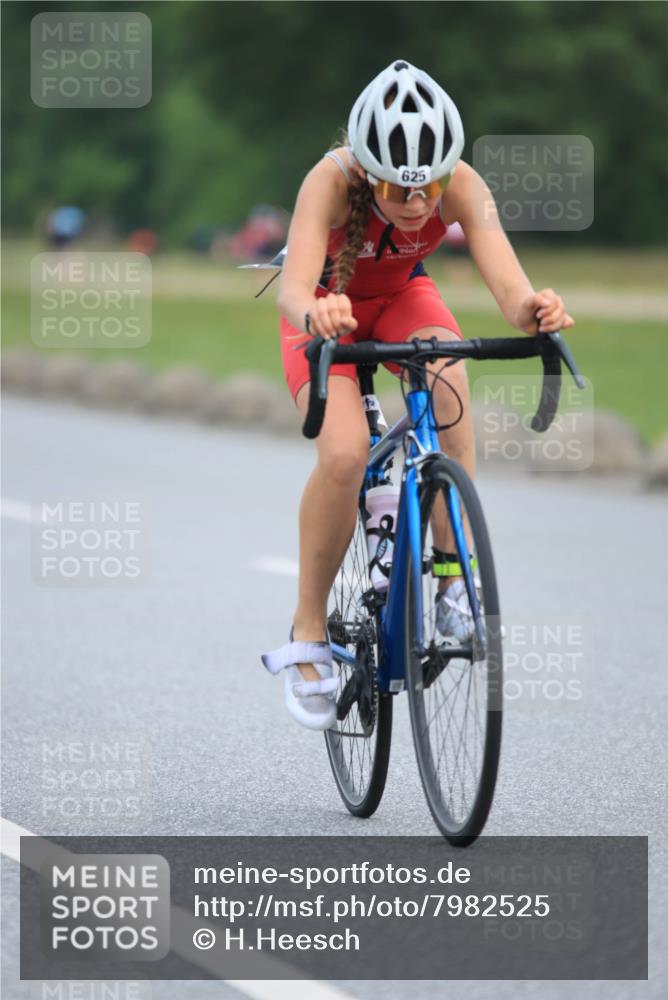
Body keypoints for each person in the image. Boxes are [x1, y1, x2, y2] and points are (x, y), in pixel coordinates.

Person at [261, 59, 574, 731]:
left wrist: (536, 309)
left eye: (428, 187)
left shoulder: (462, 182)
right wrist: (315, 316)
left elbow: (508, 284)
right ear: (368, 170)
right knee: (344, 455)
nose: (417, 202)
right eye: (400, 190)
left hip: (402, 296)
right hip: (326, 309)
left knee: (450, 377)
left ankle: (455, 578)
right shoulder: (329, 179)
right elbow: (293, 287)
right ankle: (310, 632)